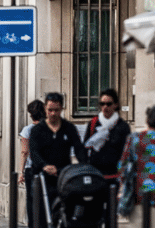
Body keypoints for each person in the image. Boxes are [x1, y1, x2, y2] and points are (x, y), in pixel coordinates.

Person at [19, 93, 85, 228]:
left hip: (62, 175)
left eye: (56, 110)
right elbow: (34, 153)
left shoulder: (68, 128)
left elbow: (79, 150)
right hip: (41, 177)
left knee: (64, 211)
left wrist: (84, 166)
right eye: (50, 110)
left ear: (61, 108)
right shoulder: (37, 130)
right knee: (38, 213)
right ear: (45, 109)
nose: (53, 113)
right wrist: (44, 166)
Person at [83, 89, 131, 217]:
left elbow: (126, 152)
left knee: (111, 213)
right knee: (94, 212)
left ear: (115, 105)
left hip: (113, 176)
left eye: (108, 104)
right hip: (95, 175)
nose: (105, 107)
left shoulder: (122, 126)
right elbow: (85, 147)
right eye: (102, 104)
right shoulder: (93, 123)